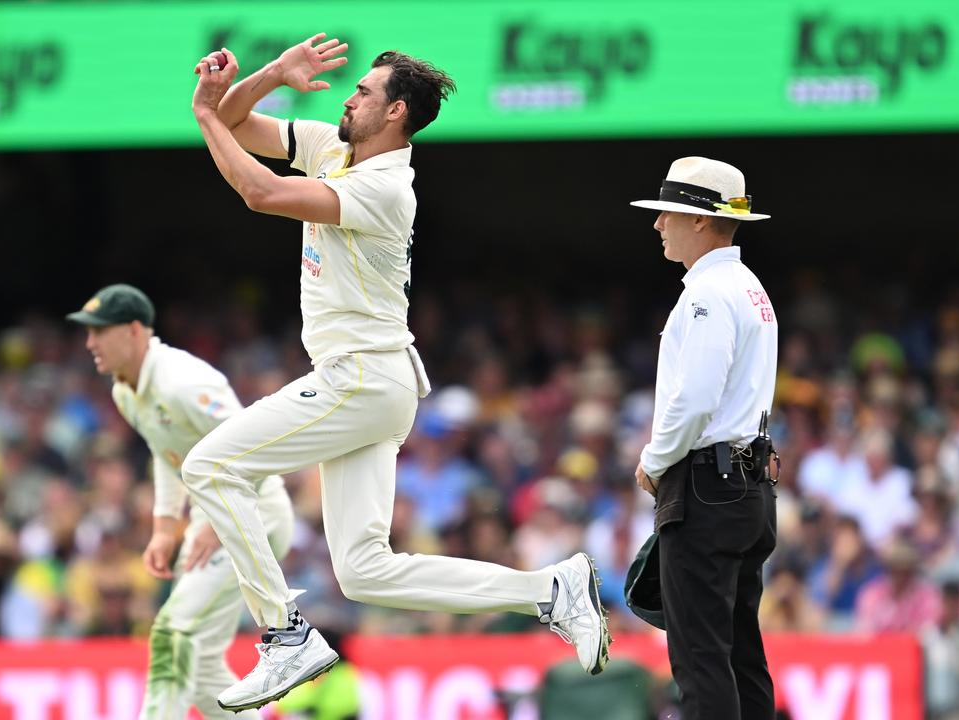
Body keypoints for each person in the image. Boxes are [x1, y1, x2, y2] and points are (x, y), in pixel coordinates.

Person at [185, 35, 610, 711]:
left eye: (364, 92)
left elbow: (260, 190)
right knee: (365, 571)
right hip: (372, 382)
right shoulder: (336, 148)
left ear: (396, 113)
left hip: (360, 376)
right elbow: (239, 122)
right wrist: (271, 75)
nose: (350, 96)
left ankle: (284, 635)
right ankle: (549, 591)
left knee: (210, 467)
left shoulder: (387, 187)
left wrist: (205, 115)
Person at [66, 284, 296, 720]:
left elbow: (259, 446)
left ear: (134, 331)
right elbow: (167, 452)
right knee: (203, 662)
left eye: (99, 331)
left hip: (253, 515)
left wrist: (217, 521)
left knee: (173, 631)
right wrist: (164, 524)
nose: (89, 343)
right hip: (216, 517)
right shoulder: (125, 390)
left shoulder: (183, 383)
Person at [630, 157, 778, 718]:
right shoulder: (749, 287)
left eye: (666, 212)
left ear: (698, 219)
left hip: (707, 486)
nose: (657, 224)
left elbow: (693, 401)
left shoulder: (707, 294)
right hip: (749, 484)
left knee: (700, 659)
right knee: (741, 654)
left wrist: (653, 459)